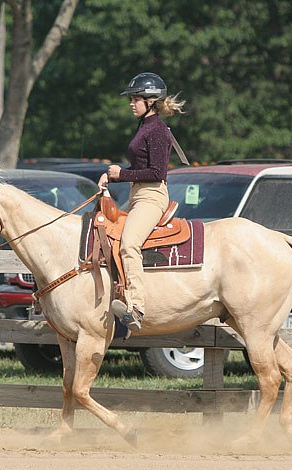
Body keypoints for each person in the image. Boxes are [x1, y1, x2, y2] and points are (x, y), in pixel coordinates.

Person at [98, 72, 185, 332]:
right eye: (132, 99)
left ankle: (136, 308)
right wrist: (113, 177)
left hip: (151, 196)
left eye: (136, 99)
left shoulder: (156, 129)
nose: (131, 103)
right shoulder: (145, 126)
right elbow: (140, 167)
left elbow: (158, 173)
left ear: (151, 101)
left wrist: (120, 175)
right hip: (138, 195)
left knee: (129, 244)